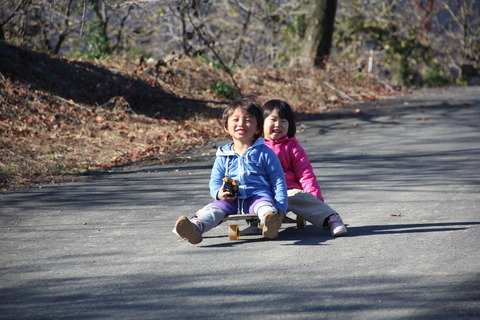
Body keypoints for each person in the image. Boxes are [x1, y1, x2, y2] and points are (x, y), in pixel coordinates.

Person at [174, 98, 288, 244]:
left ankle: (270, 223)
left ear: (258, 128)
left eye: (248, 120)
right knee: (214, 211)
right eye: (235, 119)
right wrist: (218, 193)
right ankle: (196, 228)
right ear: (226, 127)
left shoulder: (265, 152)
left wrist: (281, 207)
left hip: (258, 195)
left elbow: (278, 181)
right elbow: (215, 181)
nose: (241, 124)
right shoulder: (223, 154)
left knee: (264, 207)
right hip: (231, 199)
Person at [262, 99, 347, 237]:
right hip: (261, 191)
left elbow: (305, 175)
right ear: (261, 122)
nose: (278, 125)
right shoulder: (254, 147)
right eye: (273, 120)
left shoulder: (292, 148)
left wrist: (314, 199)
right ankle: (270, 221)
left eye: (283, 121)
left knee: (296, 196)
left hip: (287, 191)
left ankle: (331, 218)